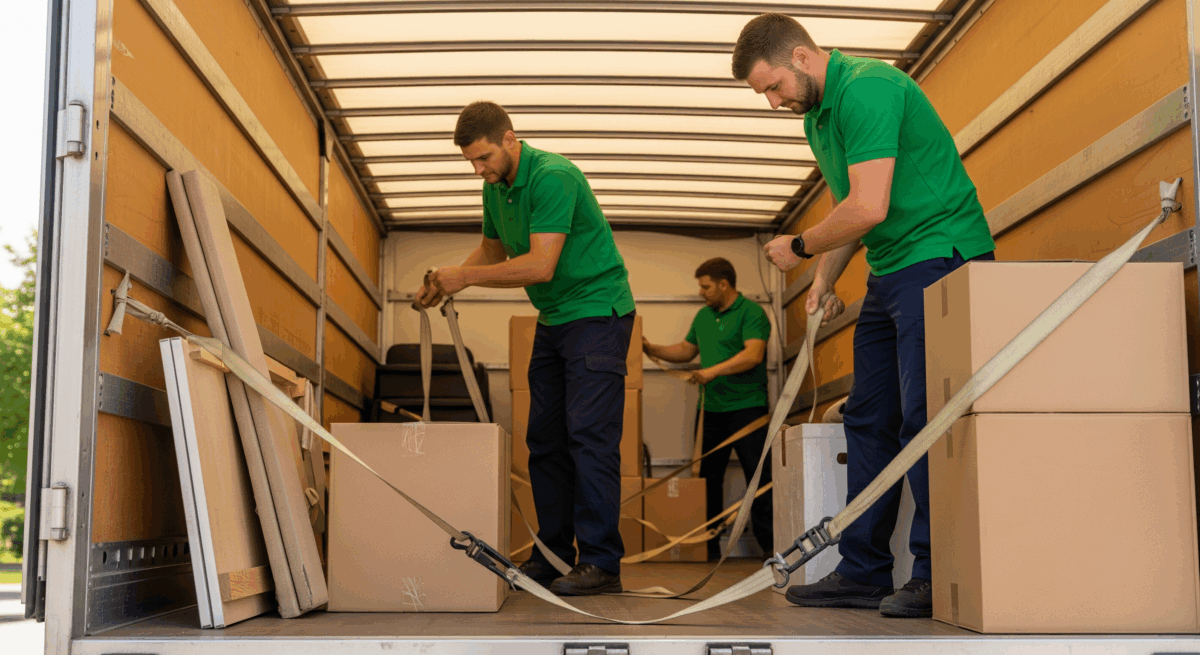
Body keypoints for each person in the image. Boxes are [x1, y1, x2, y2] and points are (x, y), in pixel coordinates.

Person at [732, 14, 997, 618]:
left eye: (773, 87)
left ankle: (934, 573)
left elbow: (869, 206)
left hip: (939, 256)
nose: (773, 103)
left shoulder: (868, 89)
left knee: (924, 421)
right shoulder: (819, 116)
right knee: (870, 419)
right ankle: (864, 571)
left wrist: (800, 247)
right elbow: (850, 204)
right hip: (891, 267)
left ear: (801, 57)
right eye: (764, 95)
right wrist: (823, 280)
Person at [416, 101, 636, 596]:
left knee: (589, 438)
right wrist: (448, 282)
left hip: (598, 315)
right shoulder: (496, 189)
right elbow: (493, 251)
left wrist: (464, 276)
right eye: (471, 162)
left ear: (510, 139)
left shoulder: (552, 176)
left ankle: (602, 563)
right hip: (556, 319)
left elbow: (539, 266)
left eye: (485, 157)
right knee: (544, 441)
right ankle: (555, 556)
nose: (479, 169)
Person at [643, 258, 773, 561]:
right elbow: (686, 351)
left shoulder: (752, 313)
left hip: (748, 409)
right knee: (707, 479)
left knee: (760, 478)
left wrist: (712, 372)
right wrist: (651, 348)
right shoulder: (703, 316)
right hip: (711, 410)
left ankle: (770, 547)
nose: (701, 292)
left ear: (723, 284)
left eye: (705, 286)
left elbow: (753, 354)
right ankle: (709, 548)